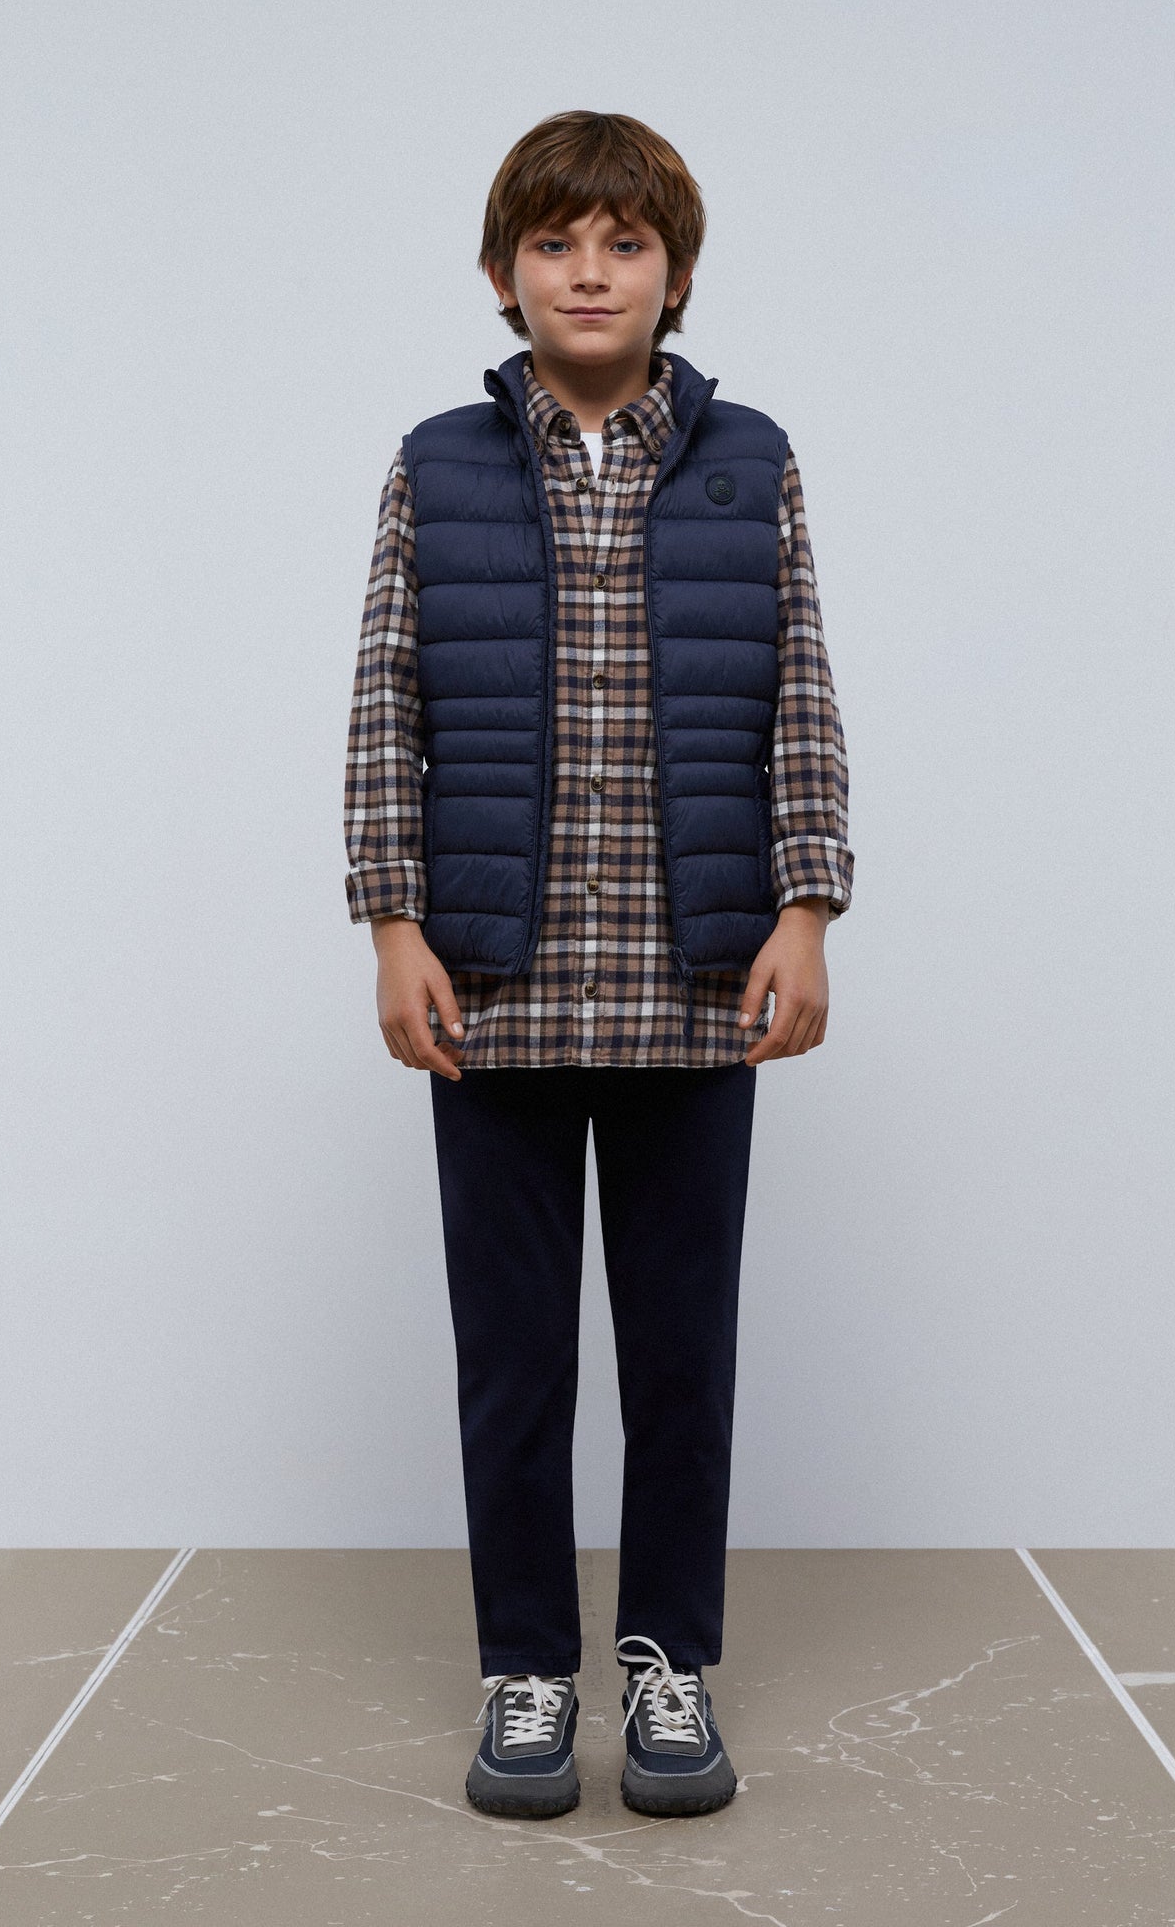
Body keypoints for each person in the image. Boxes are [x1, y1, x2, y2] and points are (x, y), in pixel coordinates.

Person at [343, 110, 853, 1820]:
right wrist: (393, 923)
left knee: (680, 1361)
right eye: (554, 243)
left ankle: (666, 1665)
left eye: (622, 244)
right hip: (490, 992)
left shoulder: (751, 461)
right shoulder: (434, 464)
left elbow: (797, 693)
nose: (587, 271)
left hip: (691, 989)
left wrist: (805, 906)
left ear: (674, 274)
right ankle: (523, 1671)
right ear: (503, 275)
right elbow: (386, 703)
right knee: (513, 1362)